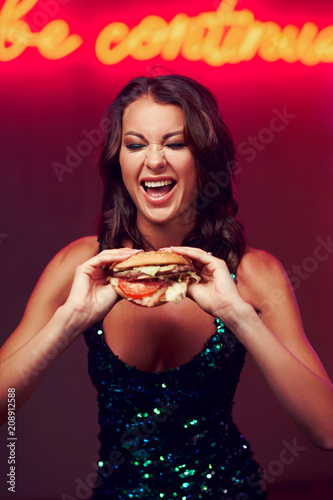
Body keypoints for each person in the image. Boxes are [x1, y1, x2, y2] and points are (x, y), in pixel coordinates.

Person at [0, 74, 332, 499]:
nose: (154, 161)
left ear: (204, 158)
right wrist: (66, 324)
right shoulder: (80, 265)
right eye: (136, 144)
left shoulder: (253, 273)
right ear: (118, 161)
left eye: (175, 144)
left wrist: (239, 317)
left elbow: (327, 430)